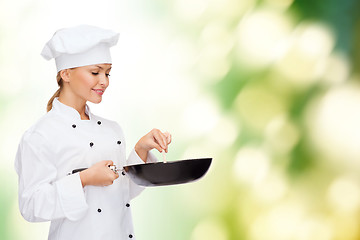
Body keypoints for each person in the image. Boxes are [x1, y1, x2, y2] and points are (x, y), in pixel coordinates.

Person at [14, 25, 171, 240]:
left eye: (107, 73)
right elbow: (31, 206)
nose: (104, 81)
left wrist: (141, 149)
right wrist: (84, 179)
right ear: (66, 73)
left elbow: (121, 194)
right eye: (95, 72)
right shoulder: (41, 135)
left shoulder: (111, 130)